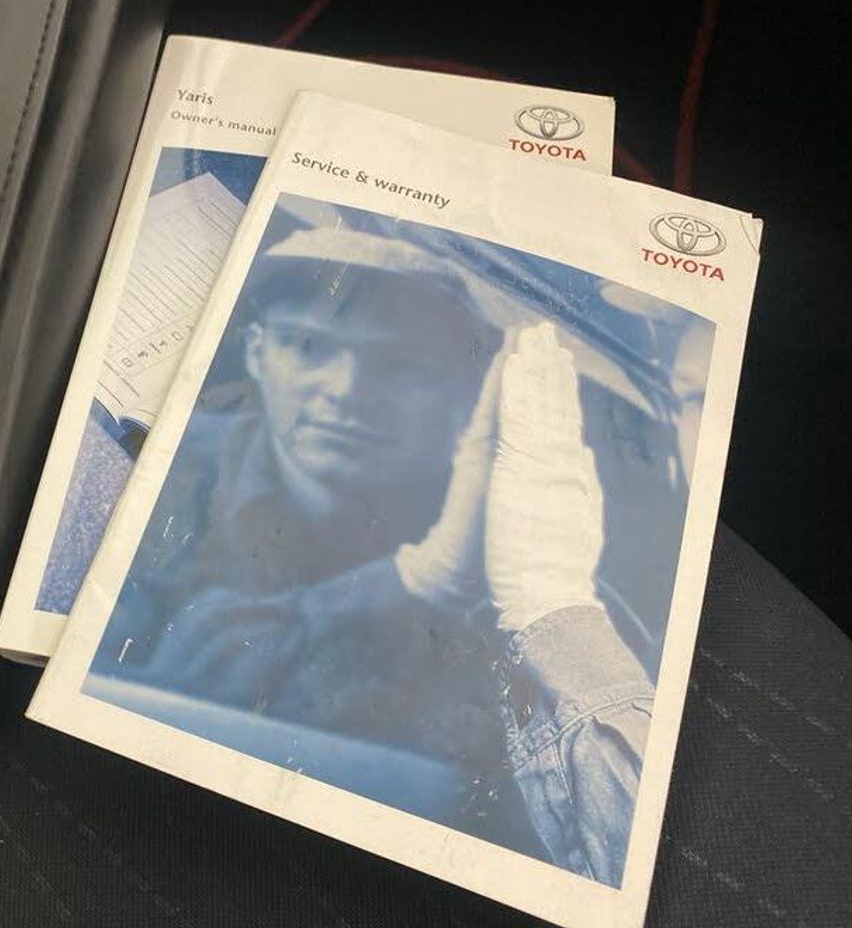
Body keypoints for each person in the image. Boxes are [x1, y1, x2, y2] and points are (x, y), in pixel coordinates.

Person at [93, 224, 656, 886]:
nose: (347, 388)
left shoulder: (532, 531)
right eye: (308, 345)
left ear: (466, 392)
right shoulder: (150, 475)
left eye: (402, 364)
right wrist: (415, 579)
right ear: (256, 351)